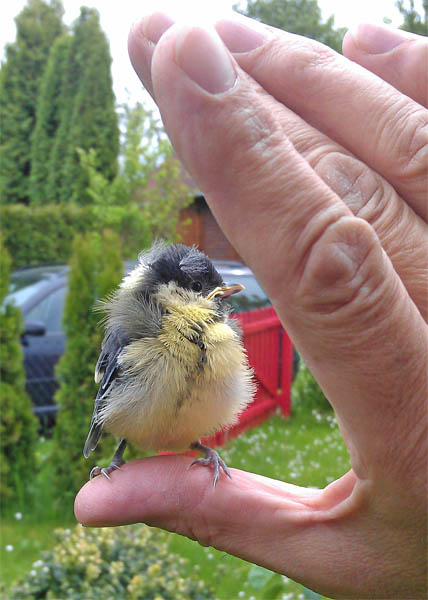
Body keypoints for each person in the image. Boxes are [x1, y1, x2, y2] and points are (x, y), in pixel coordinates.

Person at [75, 12, 428, 599]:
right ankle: (120, 457)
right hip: (130, 424)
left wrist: (205, 451)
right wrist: (108, 448)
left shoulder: (214, 332)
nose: (215, 301)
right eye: (198, 292)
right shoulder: (138, 328)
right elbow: (107, 392)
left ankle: (202, 452)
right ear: (169, 293)